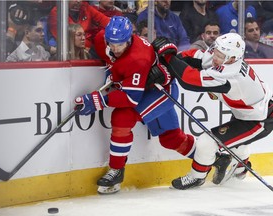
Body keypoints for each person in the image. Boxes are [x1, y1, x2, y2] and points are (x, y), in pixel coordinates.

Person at [74, 16, 196, 194]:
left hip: (159, 92)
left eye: (120, 44)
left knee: (123, 117)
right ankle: (213, 159)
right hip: (142, 90)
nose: (115, 49)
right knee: (171, 138)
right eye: (112, 43)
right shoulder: (103, 38)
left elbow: (130, 98)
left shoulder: (137, 58)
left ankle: (116, 170)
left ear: (130, 38)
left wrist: (97, 101)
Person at [153, 33, 273, 190]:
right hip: (247, 113)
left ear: (231, 59)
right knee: (235, 142)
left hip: (260, 120)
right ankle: (241, 170)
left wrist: (168, 58)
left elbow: (189, 80)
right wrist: (170, 57)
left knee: (207, 142)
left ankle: (197, 177)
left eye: (220, 55)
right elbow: (195, 56)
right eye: (216, 51)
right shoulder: (225, 57)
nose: (214, 56)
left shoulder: (230, 76)